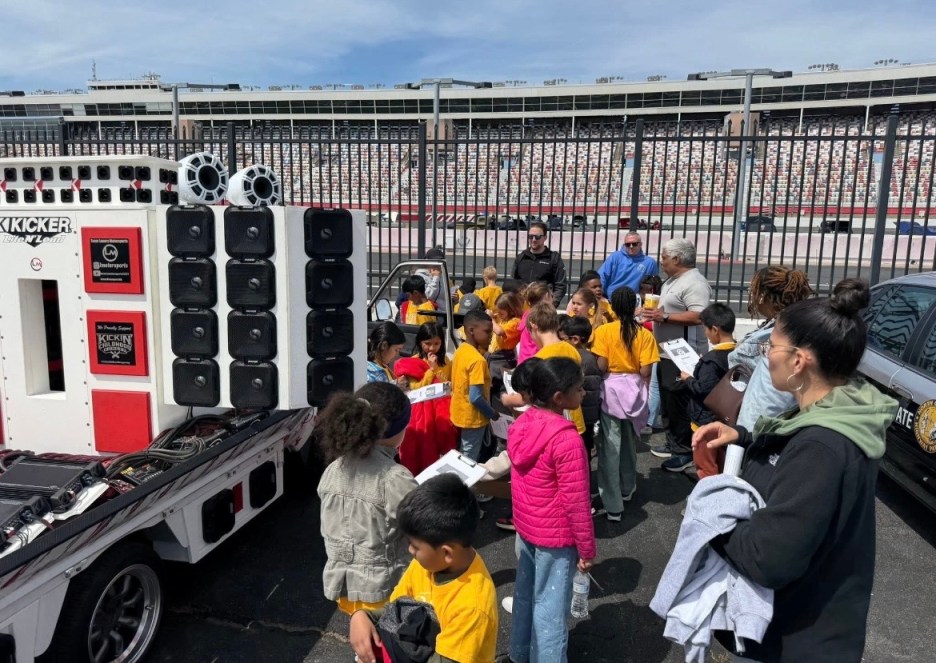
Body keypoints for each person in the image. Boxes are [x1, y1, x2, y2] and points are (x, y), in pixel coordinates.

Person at [692, 278, 898, 662]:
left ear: (799, 360)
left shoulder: (821, 447)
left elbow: (767, 558)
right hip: (806, 627)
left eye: (772, 347)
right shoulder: (834, 414)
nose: (767, 354)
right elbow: (789, 451)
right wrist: (743, 436)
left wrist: (710, 519)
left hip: (794, 639)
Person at [349, 474, 498, 663]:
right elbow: (396, 608)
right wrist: (363, 615)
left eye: (415, 546)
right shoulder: (428, 563)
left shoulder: (472, 606)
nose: (410, 550)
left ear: (447, 553)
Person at [508, 357, 596, 663]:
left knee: (525, 595)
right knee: (551, 608)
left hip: (528, 526)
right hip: (556, 536)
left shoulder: (522, 424)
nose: (584, 392)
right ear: (559, 398)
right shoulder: (567, 440)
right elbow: (576, 502)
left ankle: (519, 653)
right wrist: (586, 549)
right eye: (579, 388)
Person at [318, 382, 418, 616]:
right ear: (397, 430)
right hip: (383, 590)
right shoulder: (394, 477)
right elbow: (422, 522)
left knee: (363, 638)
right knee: (387, 645)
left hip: (345, 586)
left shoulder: (334, 468)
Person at [590, 286, 659, 520]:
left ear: (615, 308)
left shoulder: (604, 331)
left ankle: (613, 504)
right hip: (635, 392)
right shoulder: (645, 335)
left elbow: (601, 365)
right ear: (634, 306)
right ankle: (627, 488)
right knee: (629, 443)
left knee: (610, 448)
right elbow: (645, 369)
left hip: (611, 392)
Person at [641, 239, 712, 460]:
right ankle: (674, 443)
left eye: (664, 257)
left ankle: (683, 450)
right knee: (669, 400)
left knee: (679, 401)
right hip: (666, 352)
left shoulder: (695, 283)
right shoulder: (673, 281)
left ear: (677, 259)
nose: (661, 262)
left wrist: (665, 316)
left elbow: (700, 315)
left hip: (683, 353)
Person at [731, 266, 813, 431]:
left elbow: (738, 360)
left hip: (760, 417)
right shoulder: (796, 322)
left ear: (762, 296)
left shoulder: (776, 332)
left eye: (752, 290)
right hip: (776, 412)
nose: (751, 295)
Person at [661, 302, 737, 475]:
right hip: (726, 417)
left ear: (715, 330)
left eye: (705, 329)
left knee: (705, 464)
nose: (705, 333)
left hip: (705, 420)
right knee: (721, 461)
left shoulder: (712, 360)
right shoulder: (737, 352)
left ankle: (707, 498)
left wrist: (688, 379)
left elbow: (702, 388)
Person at [393, 323, 458, 475]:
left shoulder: (446, 362)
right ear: (419, 343)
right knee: (420, 448)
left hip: (441, 413)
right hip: (420, 415)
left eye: (436, 343)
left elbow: (449, 385)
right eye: (427, 344)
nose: (432, 348)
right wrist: (431, 370)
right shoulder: (413, 361)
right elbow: (416, 388)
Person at [450, 310, 499, 461]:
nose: (491, 336)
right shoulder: (478, 360)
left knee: (461, 452)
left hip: (459, 412)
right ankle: (465, 484)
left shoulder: (461, 350)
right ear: (471, 330)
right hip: (474, 418)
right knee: (468, 458)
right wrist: (492, 413)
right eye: (487, 331)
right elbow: (476, 397)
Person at [559, 315, 602, 455]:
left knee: (581, 450)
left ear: (575, 339)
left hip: (582, 414)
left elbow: (589, 390)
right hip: (585, 414)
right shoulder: (589, 357)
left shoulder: (581, 358)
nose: (561, 343)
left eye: (564, 339)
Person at [511, 222, 568, 305]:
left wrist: (552, 304)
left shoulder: (553, 258)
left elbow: (561, 285)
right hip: (522, 306)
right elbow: (514, 282)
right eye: (530, 236)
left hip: (543, 307)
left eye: (537, 237)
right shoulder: (521, 257)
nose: (533, 240)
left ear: (545, 237)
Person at [597, 232, 659, 297]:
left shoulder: (650, 263)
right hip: (611, 299)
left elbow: (655, 284)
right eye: (628, 244)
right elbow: (602, 276)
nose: (631, 246)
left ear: (640, 244)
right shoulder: (615, 257)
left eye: (634, 244)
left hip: (635, 302)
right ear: (624, 245)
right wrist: (599, 296)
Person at [515, 281, 553, 364]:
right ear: (547, 296)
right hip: (535, 362)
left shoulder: (527, 314)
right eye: (551, 296)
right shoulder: (541, 317)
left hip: (523, 361)